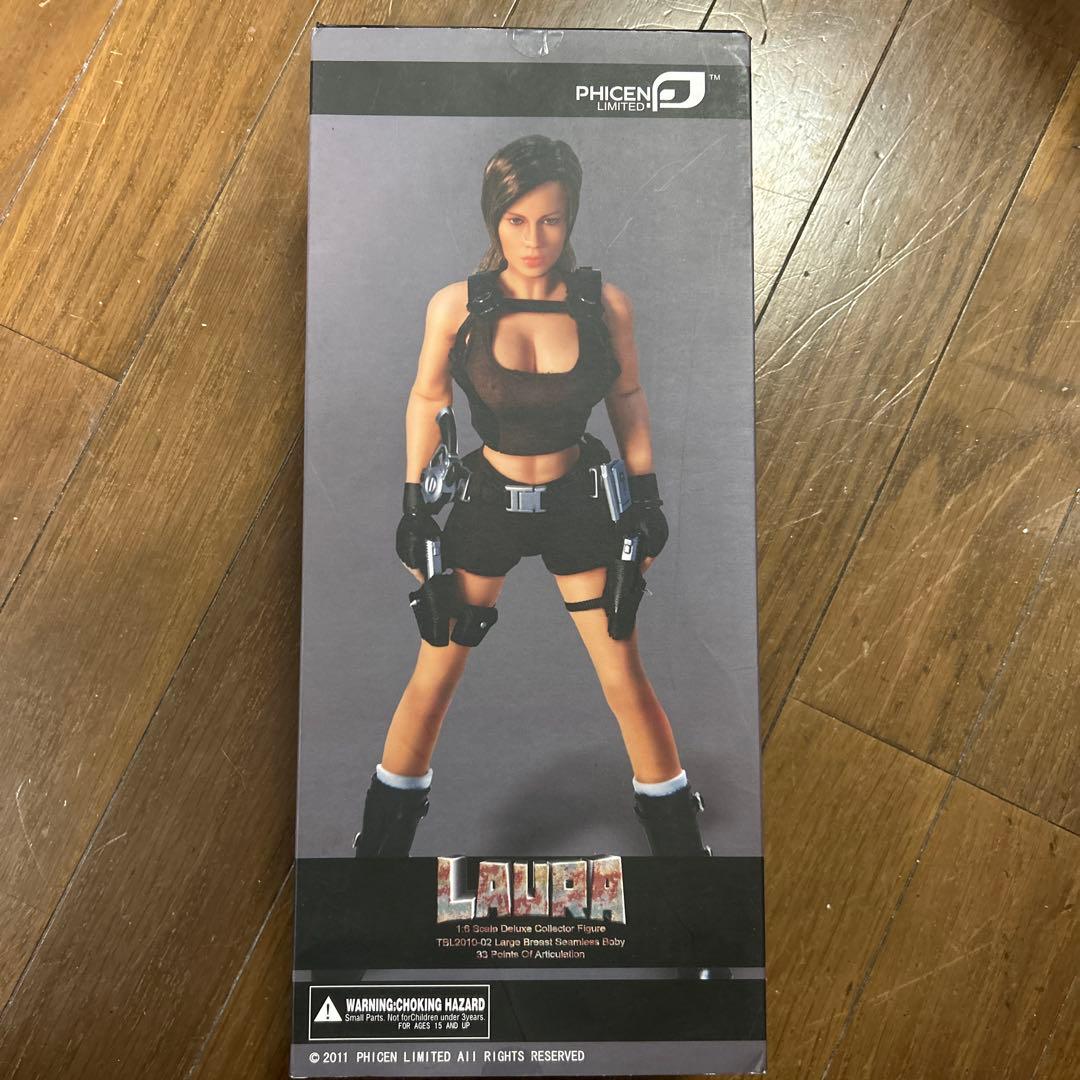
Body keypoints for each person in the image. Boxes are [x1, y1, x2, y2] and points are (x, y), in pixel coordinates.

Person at [354, 135, 709, 858]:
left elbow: (628, 397)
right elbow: (426, 397)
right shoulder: (457, 306)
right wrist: (415, 508)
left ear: (570, 217)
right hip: (488, 501)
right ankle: (377, 862)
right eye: (516, 221)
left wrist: (646, 499)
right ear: (495, 219)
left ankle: (684, 864)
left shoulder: (603, 305)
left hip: (580, 502)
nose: (533, 239)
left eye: (550, 220)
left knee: (623, 673)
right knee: (434, 671)